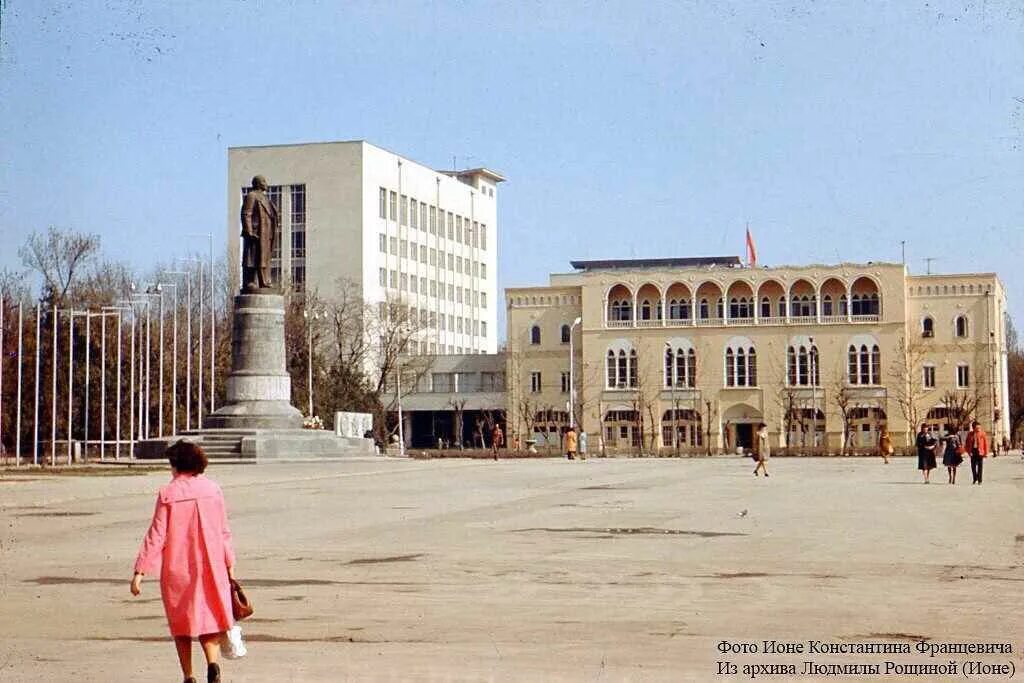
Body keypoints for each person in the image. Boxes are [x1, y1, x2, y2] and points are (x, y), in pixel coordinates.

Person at [132, 441, 236, 683]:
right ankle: (212, 664)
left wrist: (140, 571)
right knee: (209, 618)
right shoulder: (213, 489)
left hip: (179, 568)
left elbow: (157, 535)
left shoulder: (168, 493)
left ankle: (188, 675)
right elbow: (223, 531)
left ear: (176, 465)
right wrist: (229, 563)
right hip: (213, 565)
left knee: (181, 624)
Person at [240, 175, 279, 291]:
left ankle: (264, 281)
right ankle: (249, 282)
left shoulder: (266, 199)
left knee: (264, 258)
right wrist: (249, 231)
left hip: (266, 233)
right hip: (256, 233)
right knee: (252, 258)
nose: (266, 183)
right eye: (263, 181)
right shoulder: (252, 196)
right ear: (257, 183)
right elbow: (246, 213)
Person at [964, 420, 989, 484]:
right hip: (973, 451)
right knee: (973, 466)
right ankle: (975, 478)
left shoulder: (982, 433)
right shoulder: (970, 434)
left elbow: (985, 444)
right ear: (973, 428)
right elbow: (966, 443)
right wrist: (968, 451)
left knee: (980, 466)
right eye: (977, 428)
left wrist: (986, 453)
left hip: (980, 451)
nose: (979, 429)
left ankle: (980, 480)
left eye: (979, 428)